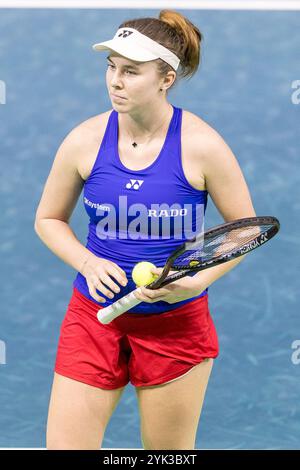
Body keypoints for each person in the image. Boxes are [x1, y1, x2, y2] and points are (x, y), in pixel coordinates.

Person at [34, 10, 256, 450]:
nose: (115, 81)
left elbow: (245, 230)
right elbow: (48, 219)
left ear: (165, 78)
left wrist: (195, 282)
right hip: (92, 318)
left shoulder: (202, 146)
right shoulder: (84, 140)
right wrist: (87, 261)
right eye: (111, 67)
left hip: (175, 326)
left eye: (131, 71)